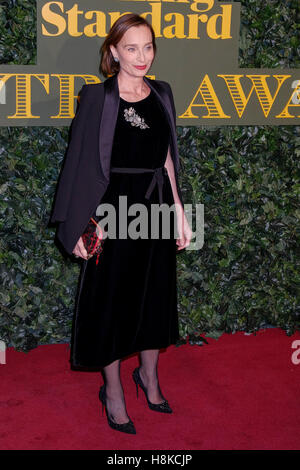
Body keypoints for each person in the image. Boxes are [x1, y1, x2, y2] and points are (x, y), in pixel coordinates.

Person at [50, 13, 192, 435]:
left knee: (154, 294)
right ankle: (112, 390)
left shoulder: (162, 93)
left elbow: (167, 159)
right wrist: (79, 225)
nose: (142, 56)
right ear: (113, 52)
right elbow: (77, 164)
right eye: (131, 48)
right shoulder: (98, 97)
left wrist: (180, 211)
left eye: (148, 47)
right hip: (112, 213)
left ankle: (148, 377)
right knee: (111, 301)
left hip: (157, 209)